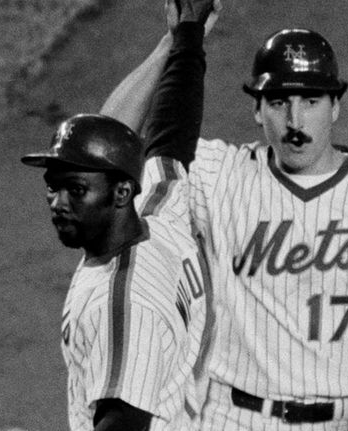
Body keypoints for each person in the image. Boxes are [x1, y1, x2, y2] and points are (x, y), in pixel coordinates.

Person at [103, 23, 348, 431]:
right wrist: (174, 43)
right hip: (230, 419)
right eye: (279, 102)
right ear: (257, 109)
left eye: (311, 101)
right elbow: (104, 142)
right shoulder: (218, 174)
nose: (295, 120)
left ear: (335, 106)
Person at [19, 1, 217, 429]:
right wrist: (183, 38)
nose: (58, 202)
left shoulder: (125, 305)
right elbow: (170, 131)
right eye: (53, 186)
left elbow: (123, 422)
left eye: (76, 190)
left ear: (122, 191)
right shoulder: (160, 211)